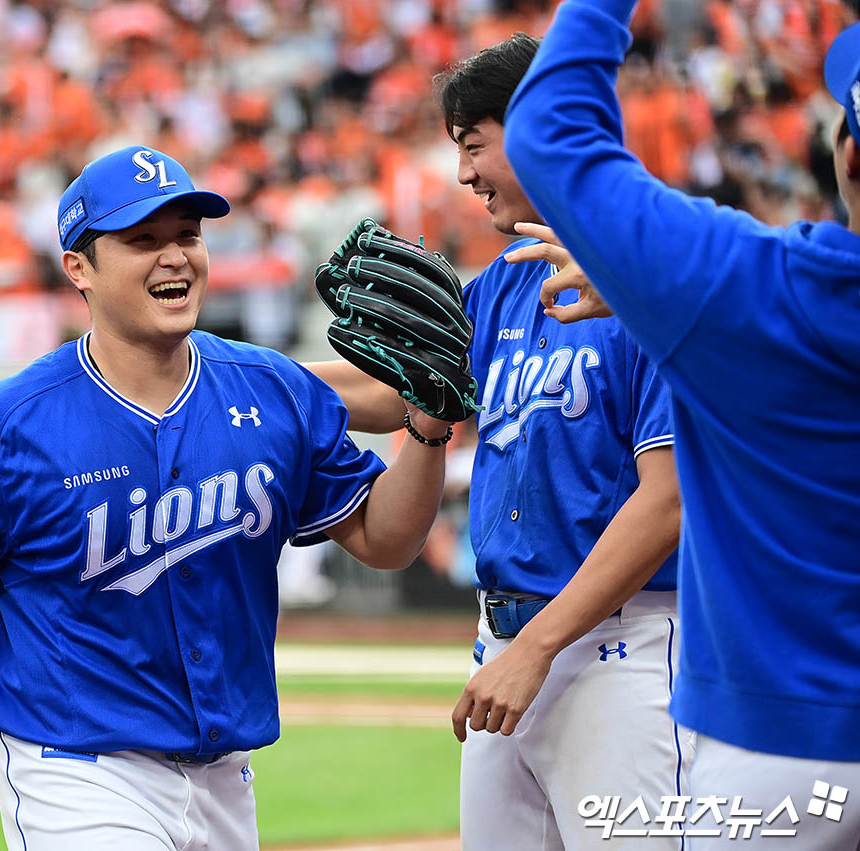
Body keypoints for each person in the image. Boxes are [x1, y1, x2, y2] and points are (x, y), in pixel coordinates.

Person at [0, 144, 454, 849]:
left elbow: (387, 540)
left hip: (227, 776)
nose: (175, 257)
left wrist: (428, 429)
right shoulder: (6, 423)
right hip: (76, 770)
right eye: (143, 241)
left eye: (187, 235)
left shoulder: (270, 389)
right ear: (80, 268)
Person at [311, 34, 688, 850]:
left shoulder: (655, 271)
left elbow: (670, 501)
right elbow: (399, 386)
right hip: (505, 648)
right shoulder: (508, 279)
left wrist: (541, 646)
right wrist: (224, 376)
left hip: (622, 650)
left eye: (475, 144)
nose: (462, 173)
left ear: (541, 127)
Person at [505, 5, 860, 847]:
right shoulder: (748, 290)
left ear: (848, 151)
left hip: (783, 743)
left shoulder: (754, 289)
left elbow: (548, 128)